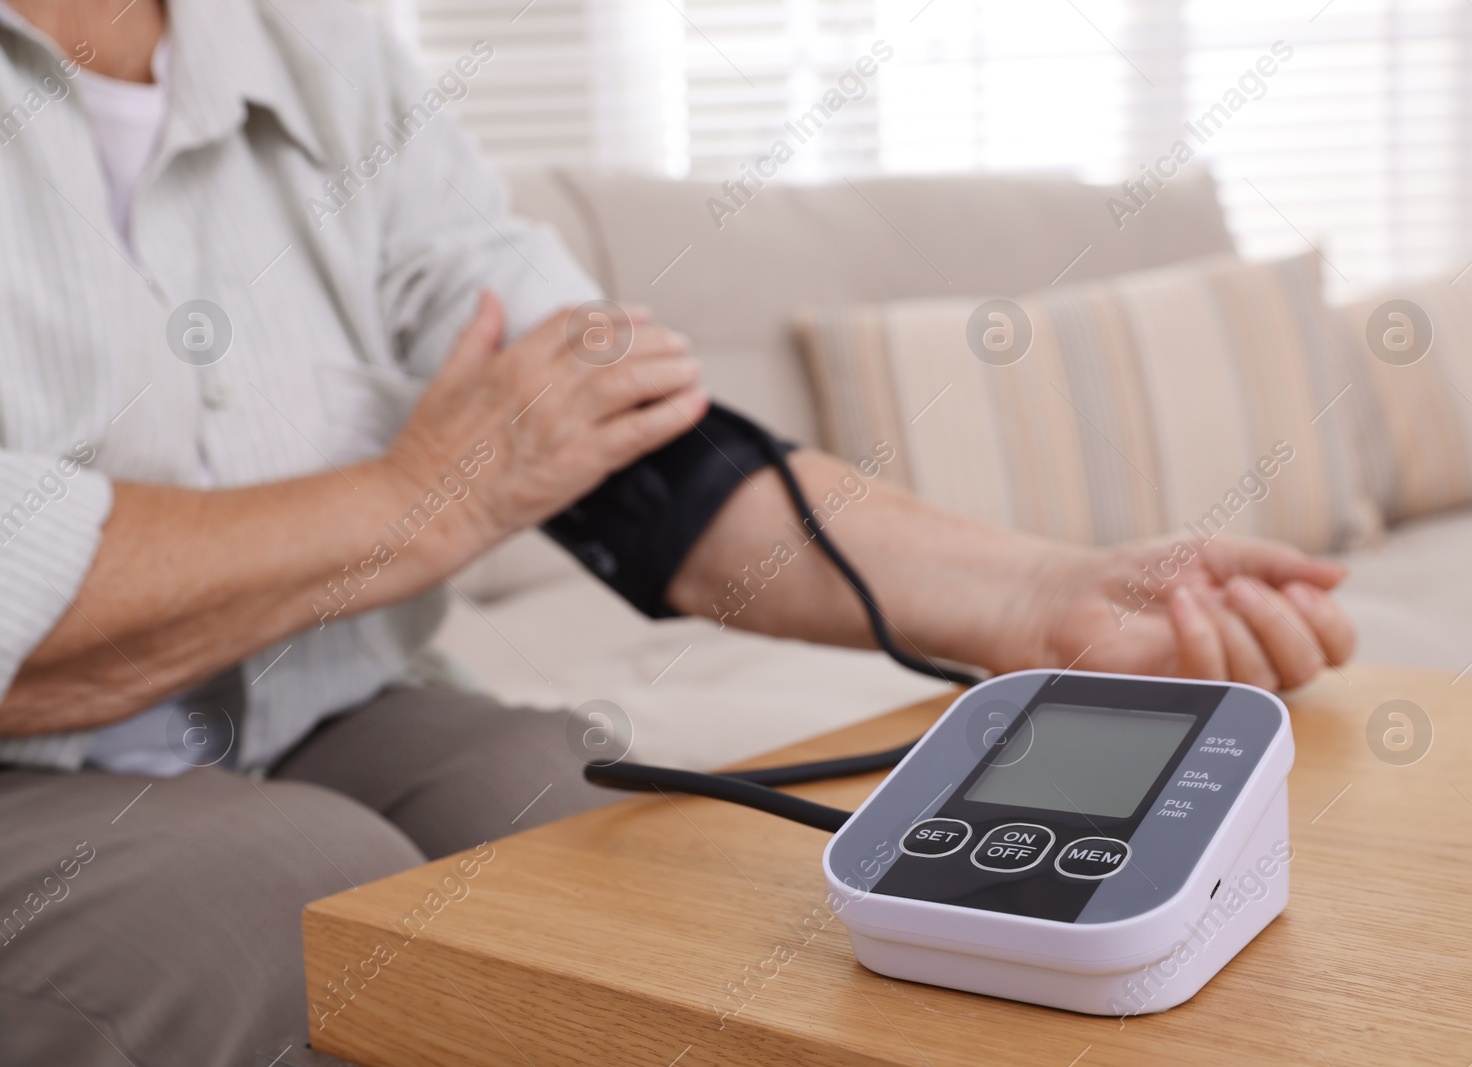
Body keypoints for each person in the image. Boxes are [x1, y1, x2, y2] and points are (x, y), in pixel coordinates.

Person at [0, 0, 1355, 1061]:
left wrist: (1047, 595)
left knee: (567, 827)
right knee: (291, 896)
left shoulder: (323, 54)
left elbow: (620, 440)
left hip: (322, 701)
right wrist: (434, 495)